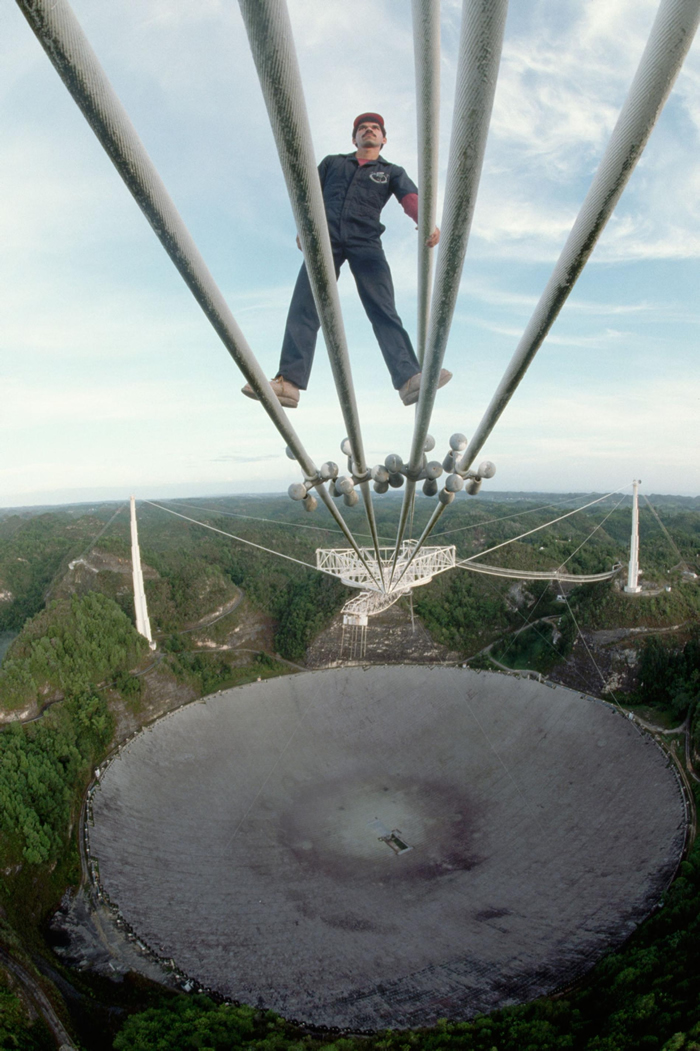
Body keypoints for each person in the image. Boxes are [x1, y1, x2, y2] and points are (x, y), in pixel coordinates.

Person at [242, 112, 452, 409]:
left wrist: (426, 222)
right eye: (362, 128)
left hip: (365, 240)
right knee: (305, 305)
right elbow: (308, 195)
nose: (369, 130)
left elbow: (410, 198)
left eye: (375, 128)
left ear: (383, 139)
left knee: (383, 307)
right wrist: (304, 228)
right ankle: (288, 383)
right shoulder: (333, 163)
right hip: (325, 239)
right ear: (354, 139)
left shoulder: (391, 171)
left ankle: (409, 379)